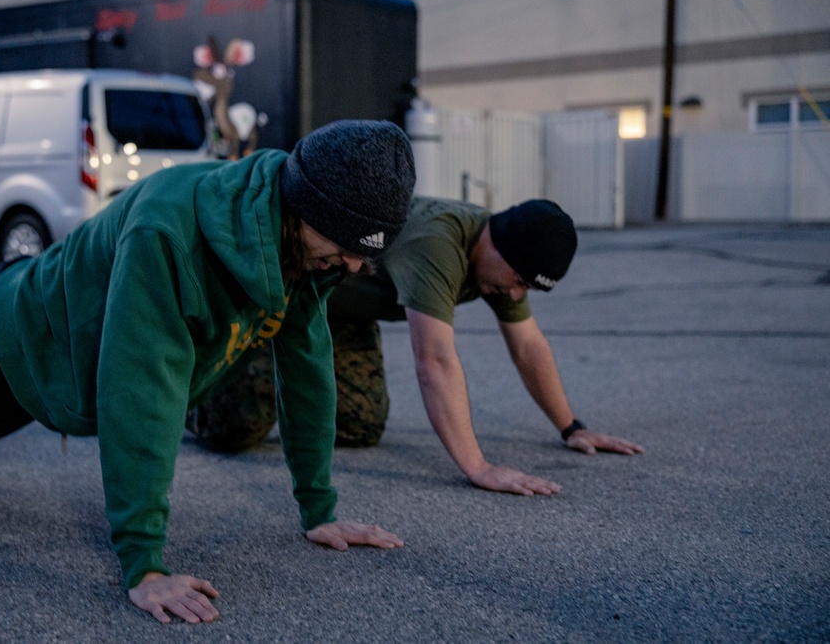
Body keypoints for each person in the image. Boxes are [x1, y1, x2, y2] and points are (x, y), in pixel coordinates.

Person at [0, 119, 415, 625]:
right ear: (303, 204)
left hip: (57, 349)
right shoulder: (169, 231)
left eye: (368, 251)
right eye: (345, 243)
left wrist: (320, 509)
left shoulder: (304, 251)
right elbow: (142, 392)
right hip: (0, 328)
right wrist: (145, 563)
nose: (357, 265)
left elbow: (307, 367)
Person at [188, 196, 644, 496]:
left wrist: (572, 428)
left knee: (362, 426)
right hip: (281, 295)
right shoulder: (439, 243)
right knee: (238, 426)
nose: (516, 295)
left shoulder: (496, 269)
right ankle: (190, 387)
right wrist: (479, 468)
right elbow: (435, 360)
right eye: (519, 281)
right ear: (496, 243)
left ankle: (291, 391)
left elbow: (529, 347)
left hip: (345, 313)